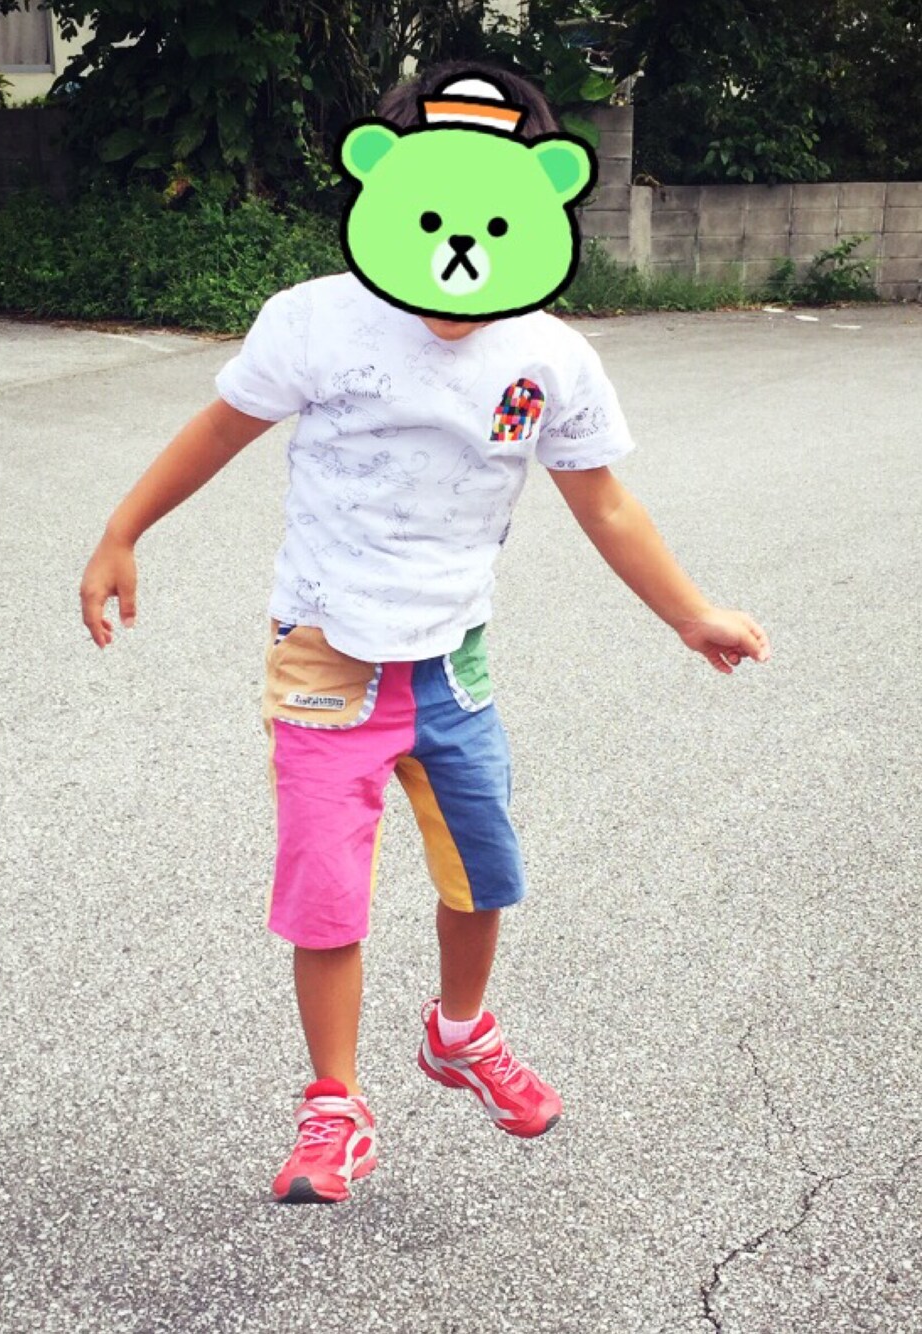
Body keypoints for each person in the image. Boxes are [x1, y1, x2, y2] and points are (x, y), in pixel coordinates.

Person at [80, 61, 771, 1206]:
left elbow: (604, 502)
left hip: (454, 661)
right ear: (385, 189)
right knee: (326, 893)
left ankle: (458, 1032)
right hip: (324, 656)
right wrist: (122, 530)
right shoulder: (317, 320)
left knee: (482, 873)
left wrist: (689, 610)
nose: (460, 248)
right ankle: (334, 1102)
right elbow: (220, 429)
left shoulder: (549, 356)